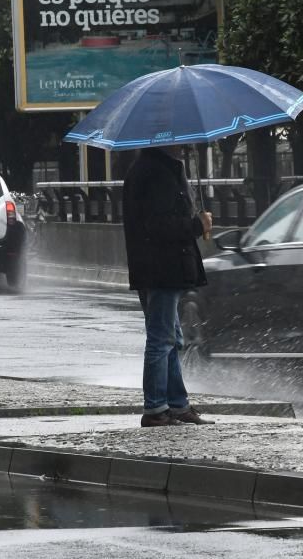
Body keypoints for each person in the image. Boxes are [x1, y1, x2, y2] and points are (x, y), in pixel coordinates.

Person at [123, 145, 213, 427]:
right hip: (161, 269)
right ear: (166, 141)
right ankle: (155, 409)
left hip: (158, 268)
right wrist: (197, 225)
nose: (184, 146)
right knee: (162, 339)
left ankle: (177, 404)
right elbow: (160, 226)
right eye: (179, 142)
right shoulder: (156, 174)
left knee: (171, 338)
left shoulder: (152, 169)